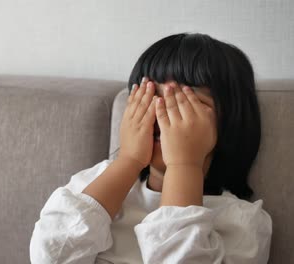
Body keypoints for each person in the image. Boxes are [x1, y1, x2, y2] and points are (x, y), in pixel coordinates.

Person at [29, 33, 272, 264]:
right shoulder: (96, 183)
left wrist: (184, 165)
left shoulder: (242, 222)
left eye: (185, 102)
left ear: (230, 121)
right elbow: (51, 257)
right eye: (150, 96)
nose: (161, 113)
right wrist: (128, 159)